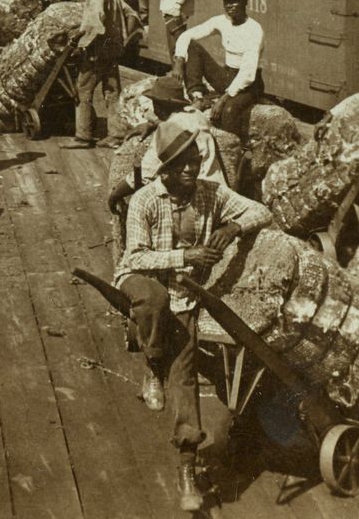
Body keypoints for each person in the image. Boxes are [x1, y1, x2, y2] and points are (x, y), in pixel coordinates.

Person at [113, 121, 271, 512]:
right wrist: (185, 257)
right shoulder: (145, 201)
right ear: (164, 169)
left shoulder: (210, 194)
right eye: (181, 165)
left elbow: (261, 210)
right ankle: (152, 363)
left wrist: (233, 227)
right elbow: (134, 257)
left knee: (184, 378)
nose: (190, 170)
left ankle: (187, 466)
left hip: (187, 298)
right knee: (153, 299)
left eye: (195, 161)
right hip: (143, 279)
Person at [107, 75, 232, 218]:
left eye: (155, 103)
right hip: (217, 191)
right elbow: (181, 120)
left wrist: (115, 194)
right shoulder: (197, 115)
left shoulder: (168, 130)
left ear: (160, 105)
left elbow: (146, 174)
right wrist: (153, 123)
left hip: (198, 201)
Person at [61, 0, 142, 150]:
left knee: (83, 89)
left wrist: (78, 41)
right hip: (113, 50)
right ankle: (116, 135)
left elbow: (94, 23)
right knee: (112, 91)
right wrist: (123, 39)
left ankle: (83, 136)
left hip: (98, 50)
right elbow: (132, 14)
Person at [172, 0, 263, 143]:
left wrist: (223, 99)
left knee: (228, 111)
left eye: (234, 1)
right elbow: (187, 35)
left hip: (249, 85)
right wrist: (179, 60)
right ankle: (197, 96)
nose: (230, 6)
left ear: (244, 2)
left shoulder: (254, 30)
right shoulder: (221, 22)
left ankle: (237, 147)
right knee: (192, 47)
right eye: (227, 1)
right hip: (227, 75)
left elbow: (248, 73)